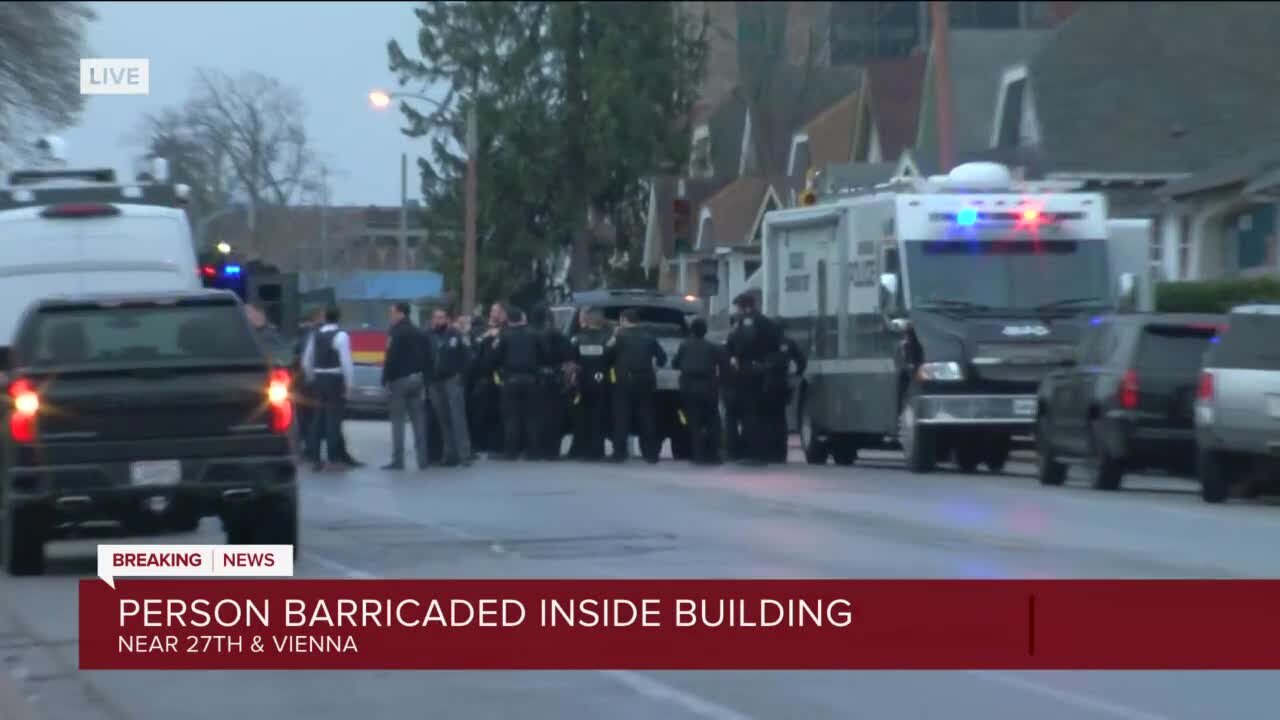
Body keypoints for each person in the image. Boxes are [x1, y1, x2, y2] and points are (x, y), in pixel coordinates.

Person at [724, 292, 783, 466]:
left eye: (738, 307)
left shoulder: (745, 323)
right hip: (764, 372)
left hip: (747, 372)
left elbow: (739, 344)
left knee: (748, 412)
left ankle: (750, 451)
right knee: (761, 413)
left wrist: (734, 355)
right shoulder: (768, 323)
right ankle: (762, 451)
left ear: (744, 307)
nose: (737, 311)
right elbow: (776, 345)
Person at [604, 308, 667, 463]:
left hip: (624, 381)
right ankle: (650, 454)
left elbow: (606, 354)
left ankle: (619, 453)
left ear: (624, 320)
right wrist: (656, 366)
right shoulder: (649, 337)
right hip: (646, 380)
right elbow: (662, 358)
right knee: (647, 416)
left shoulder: (620, 337)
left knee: (622, 416)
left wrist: (613, 337)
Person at [301, 306, 355, 472]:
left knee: (317, 419)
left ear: (325, 317)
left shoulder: (315, 335)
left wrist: (311, 377)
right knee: (333, 419)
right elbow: (346, 362)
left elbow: (306, 360)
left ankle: (315, 458)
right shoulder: (341, 336)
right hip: (335, 379)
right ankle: (333, 458)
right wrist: (349, 385)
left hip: (318, 378)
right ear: (338, 318)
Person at [487, 306, 544, 460]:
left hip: (510, 379)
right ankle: (533, 452)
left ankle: (511, 451)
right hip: (531, 379)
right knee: (532, 417)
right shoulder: (534, 334)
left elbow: (493, 358)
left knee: (511, 417)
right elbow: (544, 354)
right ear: (521, 318)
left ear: (509, 319)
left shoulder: (504, 335)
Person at [381, 302, 429, 471]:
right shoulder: (419, 332)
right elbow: (427, 356)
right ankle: (423, 459)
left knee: (398, 421)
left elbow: (390, 357)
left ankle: (398, 460)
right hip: (417, 379)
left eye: (392, 312)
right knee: (419, 420)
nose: (390, 316)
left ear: (400, 313)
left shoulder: (395, 332)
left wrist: (385, 379)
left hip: (399, 381)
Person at [673, 317, 725, 465]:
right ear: (705, 331)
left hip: (689, 387)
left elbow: (676, 363)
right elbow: (722, 364)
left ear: (691, 331)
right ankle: (713, 454)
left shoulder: (684, 345)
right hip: (709, 387)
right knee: (712, 421)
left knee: (694, 422)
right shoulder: (712, 347)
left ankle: (698, 455)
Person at [427, 307, 473, 467]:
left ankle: (465, 455)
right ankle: (449, 454)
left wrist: (461, 375)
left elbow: (467, 356)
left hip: (452, 379)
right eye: (436, 318)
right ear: (432, 320)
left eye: (441, 317)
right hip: (435, 381)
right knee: (443, 419)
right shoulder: (428, 335)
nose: (438, 320)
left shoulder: (455, 334)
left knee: (458, 418)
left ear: (447, 319)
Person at [531, 304, 573, 460]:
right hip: (555, 377)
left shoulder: (530, 334)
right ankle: (552, 450)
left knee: (536, 415)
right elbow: (568, 354)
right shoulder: (558, 335)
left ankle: (536, 449)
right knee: (555, 415)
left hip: (535, 378)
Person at [569, 307, 610, 461]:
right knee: (598, 417)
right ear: (602, 321)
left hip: (582, 382)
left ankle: (580, 449)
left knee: (581, 416)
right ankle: (597, 451)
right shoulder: (609, 339)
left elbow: (571, 360)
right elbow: (613, 358)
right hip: (602, 382)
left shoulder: (576, 339)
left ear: (586, 320)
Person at [470, 302, 508, 457]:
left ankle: (496, 445)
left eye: (496, 311)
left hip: (500, 376)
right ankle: (481, 443)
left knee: (498, 413)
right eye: (492, 311)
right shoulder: (485, 331)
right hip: (484, 377)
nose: (493, 314)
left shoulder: (505, 331)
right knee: (482, 411)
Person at [767, 333, 807, 463]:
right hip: (781, 382)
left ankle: (766, 450)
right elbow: (801, 361)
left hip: (763, 383)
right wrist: (796, 375)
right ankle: (780, 452)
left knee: (764, 419)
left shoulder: (760, 339)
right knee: (780, 418)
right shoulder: (788, 342)